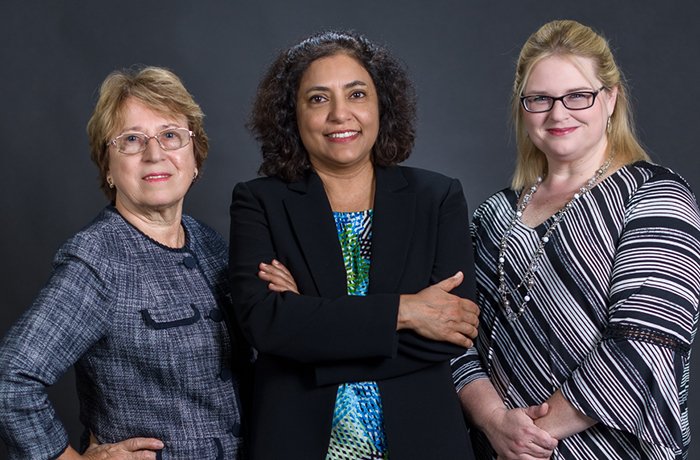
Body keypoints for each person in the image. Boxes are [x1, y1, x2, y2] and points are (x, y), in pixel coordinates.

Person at [452, 19, 700, 459]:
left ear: (610, 98)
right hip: (494, 448)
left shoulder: (656, 197)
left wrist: (530, 437)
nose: (558, 113)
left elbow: (646, 343)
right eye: (540, 99)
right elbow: (454, 333)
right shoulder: (493, 216)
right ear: (522, 107)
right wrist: (493, 421)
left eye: (577, 96)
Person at [228, 30, 480, 459]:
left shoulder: (436, 198)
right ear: (293, 114)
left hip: (423, 441)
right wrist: (406, 310)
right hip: (299, 441)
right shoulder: (259, 201)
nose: (340, 114)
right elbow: (266, 325)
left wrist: (310, 330)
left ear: (382, 105)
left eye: (357, 94)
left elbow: (451, 333)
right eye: (318, 99)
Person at [0, 66, 244, 459]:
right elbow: (10, 381)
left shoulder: (210, 244)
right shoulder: (98, 259)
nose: (155, 153)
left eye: (170, 136)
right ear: (108, 167)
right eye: (131, 139)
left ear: (194, 156)